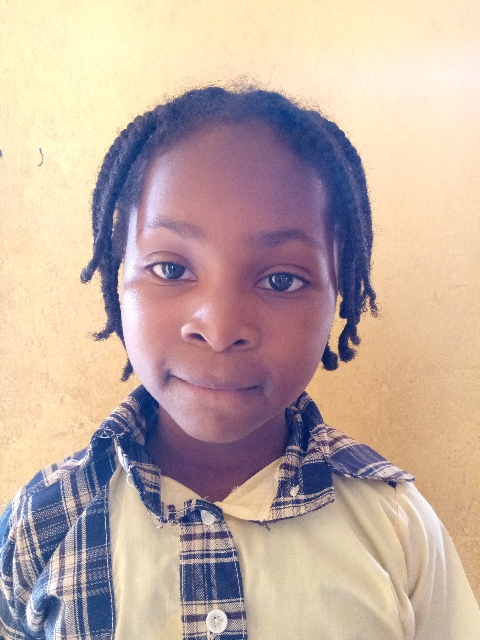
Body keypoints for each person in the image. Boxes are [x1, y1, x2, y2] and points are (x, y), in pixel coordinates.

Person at [0, 87, 478, 640]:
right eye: (171, 269)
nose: (221, 327)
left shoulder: (395, 527)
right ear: (118, 274)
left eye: (281, 279)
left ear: (338, 296)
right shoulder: (40, 527)